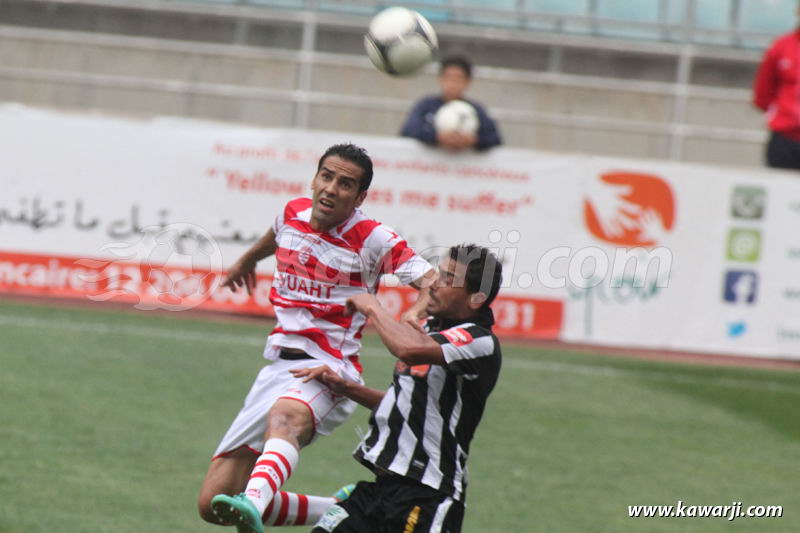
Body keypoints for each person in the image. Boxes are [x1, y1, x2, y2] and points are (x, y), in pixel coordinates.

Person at [197, 143, 436, 533]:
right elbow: (276, 234)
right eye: (326, 176)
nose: (330, 188)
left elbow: (431, 281)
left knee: (285, 418)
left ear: (359, 197)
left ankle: (254, 504)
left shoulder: (373, 237)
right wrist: (247, 260)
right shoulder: (294, 212)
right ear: (314, 178)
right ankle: (340, 508)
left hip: (328, 370)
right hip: (277, 369)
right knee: (213, 504)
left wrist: (413, 312)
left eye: (345, 184)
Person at [292, 244, 503, 533]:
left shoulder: (479, 341)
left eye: (448, 278)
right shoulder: (429, 331)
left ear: (476, 298)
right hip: (379, 491)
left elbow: (407, 350)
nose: (435, 284)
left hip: (428, 496)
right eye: (438, 273)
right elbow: (407, 403)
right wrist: (343, 386)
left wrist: (373, 307)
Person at [400, 56, 502, 152]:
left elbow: (495, 139)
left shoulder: (475, 110)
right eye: (448, 77)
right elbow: (408, 131)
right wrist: (436, 137)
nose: (452, 83)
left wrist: (473, 140)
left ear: (467, 81)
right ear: (440, 79)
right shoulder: (426, 105)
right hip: (427, 167)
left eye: (458, 78)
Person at [753, 17, 800, 170]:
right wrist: (782, 114)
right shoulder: (781, 46)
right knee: (781, 188)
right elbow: (763, 91)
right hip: (784, 137)